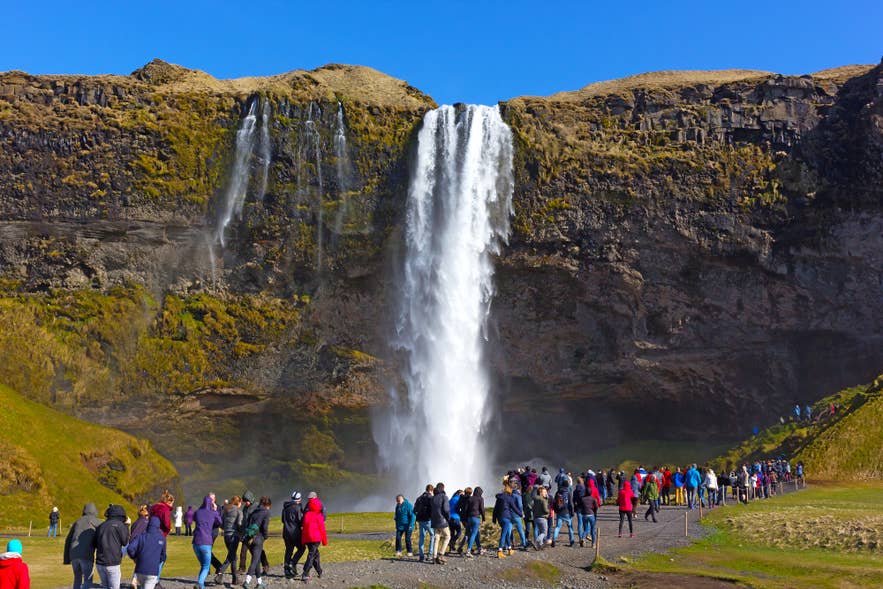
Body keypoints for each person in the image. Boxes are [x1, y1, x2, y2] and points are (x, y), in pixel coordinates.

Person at [64, 503, 101, 589]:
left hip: (73, 555)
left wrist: (66, 559)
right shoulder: (95, 521)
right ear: (95, 510)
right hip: (86, 555)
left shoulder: (77, 521)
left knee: (77, 579)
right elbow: (106, 528)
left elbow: (68, 540)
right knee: (88, 580)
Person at [93, 504, 130, 589]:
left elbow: (94, 544)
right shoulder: (120, 525)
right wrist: (127, 526)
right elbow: (125, 542)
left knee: (105, 587)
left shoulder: (101, 526)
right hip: (113, 563)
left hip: (100, 563)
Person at [126, 516, 166, 589]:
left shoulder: (140, 536)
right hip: (152, 571)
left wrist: (134, 557)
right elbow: (163, 556)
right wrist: (157, 561)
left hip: (139, 570)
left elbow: (130, 548)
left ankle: (134, 581)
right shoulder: (162, 538)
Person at [192, 495, 222, 589]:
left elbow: (193, 518)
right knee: (206, 566)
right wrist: (215, 510)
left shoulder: (197, 512)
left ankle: (201, 585)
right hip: (206, 542)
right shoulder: (213, 513)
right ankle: (200, 583)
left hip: (196, 543)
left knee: (203, 565)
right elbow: (220, 522)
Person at [243, 497, 271, 588]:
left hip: (249, 539)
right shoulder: (266, 513)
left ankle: (259, 582)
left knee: (257, 559)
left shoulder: (253, 512)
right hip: (258, 539)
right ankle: (247, 581)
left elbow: (247, 524)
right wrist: (265, 536)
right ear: (267, 505)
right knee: (254, 561)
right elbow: (265, 528)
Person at [215, 495, 243, 585]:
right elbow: (239, 523)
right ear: (238, 502)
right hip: (234, 536)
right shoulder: (239, 511)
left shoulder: (225, 510)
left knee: (233, 557)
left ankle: (235, 579)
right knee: (231, 556)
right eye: (240, 503)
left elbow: (221, 524)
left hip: (226, 536)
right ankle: (220, 573)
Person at [300, 495, 327, 582]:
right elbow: (322, 529)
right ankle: (305, 572)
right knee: (312, 555)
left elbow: (304, 529)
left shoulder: (306, 515)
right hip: (316, 539)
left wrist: (303, 540)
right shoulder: (319, 516)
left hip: (308, 539)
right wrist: (324, 541)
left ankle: (319, 571)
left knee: (316, 555)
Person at [281, 491, 306, 577]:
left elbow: (282, 520)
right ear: (299, 499)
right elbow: (300, 520)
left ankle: (287, 570)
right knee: (302, 548)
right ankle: (293, 562)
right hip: (295, 533)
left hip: (286, 533)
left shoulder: (285, 508)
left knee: (288, 551)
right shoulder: (297, 508)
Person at [429, 483, 451, 564]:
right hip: (442, 521)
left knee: (436, 538)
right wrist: (448, 518)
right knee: (447, 536)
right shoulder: (444, 497)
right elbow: (446, 510)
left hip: (434, 521)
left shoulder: (432, 498)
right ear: (443, 488)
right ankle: (441, 554)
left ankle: (434, 557)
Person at [492, 484, 515, 558]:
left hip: (500, 518)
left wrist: (494, 519)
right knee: (504, 534)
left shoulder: (499, 498)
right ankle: (500, 551)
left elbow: (495, 509)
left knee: (505, 533)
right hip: (506, 518)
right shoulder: (509, 498)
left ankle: (510, 549)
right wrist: (521, 514)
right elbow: (514, 507)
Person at [413, 484, 434, 562]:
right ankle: (430, 554)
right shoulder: (431, 498)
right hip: (427, 519)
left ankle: (421, 556)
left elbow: (414, 510)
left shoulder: (419, 498)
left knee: (422, 536)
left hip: (420, 520)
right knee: (433, 535)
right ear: (431, 490)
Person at [551, 479, 575, 547]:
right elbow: (570, 504)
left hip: (560, 513)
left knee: (557, 527)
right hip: (567, 512)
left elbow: (554, 502)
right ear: (567, 485)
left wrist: (556, 510)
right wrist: (572, 512)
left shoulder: (558, 492)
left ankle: (554, 540)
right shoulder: (568, 492)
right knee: (570, 527)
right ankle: (572, 541)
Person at [577, 481, 600, 546]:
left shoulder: (583, 499)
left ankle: (583, 538)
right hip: (591, 514)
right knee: (592, 529)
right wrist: (594, 511)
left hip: (584, 515)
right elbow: (596, 506)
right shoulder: (592, 499)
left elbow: (580, 506)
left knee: (586, 529)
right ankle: (593, 544)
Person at [464, 487, 485, 556]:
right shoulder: (480, 499)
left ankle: (479, 548)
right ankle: (468, 550)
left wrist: (466, 518)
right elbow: (482, 509)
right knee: (474, 533)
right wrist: (484, 518)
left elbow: (466, 509)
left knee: (476, 533)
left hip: (469, 518)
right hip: (476, 517)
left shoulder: (470, 498)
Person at [448, 490, 463, 555]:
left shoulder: (451, 499)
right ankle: (452, 542)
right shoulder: (459, 499)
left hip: (449, 518)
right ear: (459, 494)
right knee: (459, 532)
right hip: (456, 517)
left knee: (452, 533)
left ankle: (451, 548)